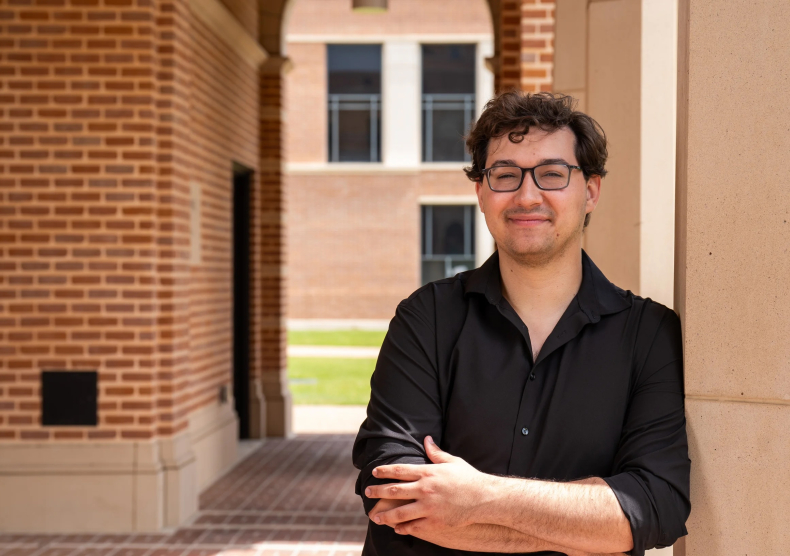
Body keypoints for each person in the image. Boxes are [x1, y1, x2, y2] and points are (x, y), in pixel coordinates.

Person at [352, 92, 691, 556]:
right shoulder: (425, 318)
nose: (527, 195)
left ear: (590, 191)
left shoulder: (648, 334)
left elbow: (655, 507)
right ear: (481, 193)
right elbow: (392, 496)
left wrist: (478, 498)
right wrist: (584, 524)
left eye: (552, 174)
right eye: (505, 175)